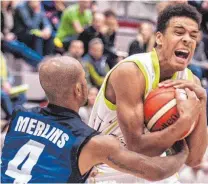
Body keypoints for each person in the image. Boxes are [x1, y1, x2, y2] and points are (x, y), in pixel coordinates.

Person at [1, 56, 190, 183]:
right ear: (78, 89)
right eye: (84, 79)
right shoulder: (92, 142)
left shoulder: (19, 117)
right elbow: (156, 171)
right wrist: (182, 147)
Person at [88, 4, 207, 183]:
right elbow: (137, 147)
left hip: (157, 170)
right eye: (179, 32)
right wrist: (183, 124)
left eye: (193, 35)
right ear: (159, 38)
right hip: (109, 170)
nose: (187, 40)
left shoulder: (192, 82)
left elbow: (195, 159)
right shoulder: (132, 71)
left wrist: (202, 102)